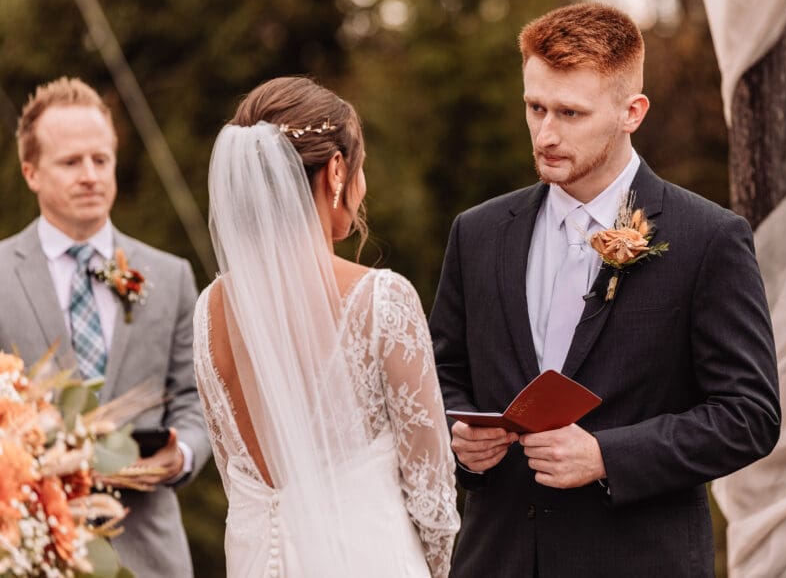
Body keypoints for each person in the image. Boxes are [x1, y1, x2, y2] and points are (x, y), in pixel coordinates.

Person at [431, 3, 781, 576]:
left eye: (570, 113)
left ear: (631, 112)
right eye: (535, 107)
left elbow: (750, 416)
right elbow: (442, 377)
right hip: (496, 559)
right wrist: (460, 441)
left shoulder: (708, 238)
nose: (545, 134)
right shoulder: (478, 233)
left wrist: (607, 456)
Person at [194, 76, 459, 577]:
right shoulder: (381, 298)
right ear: (337, 169)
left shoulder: (210, 309)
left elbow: (234, 470)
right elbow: (431, 492)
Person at [0, 77, 211, 577]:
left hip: (150, 553)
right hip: (29, 551)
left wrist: (179, 456)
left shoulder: (170, 275)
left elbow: (196, 399)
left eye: (101, 159)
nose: (90, 175)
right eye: (71, 162)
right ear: (31, 172)